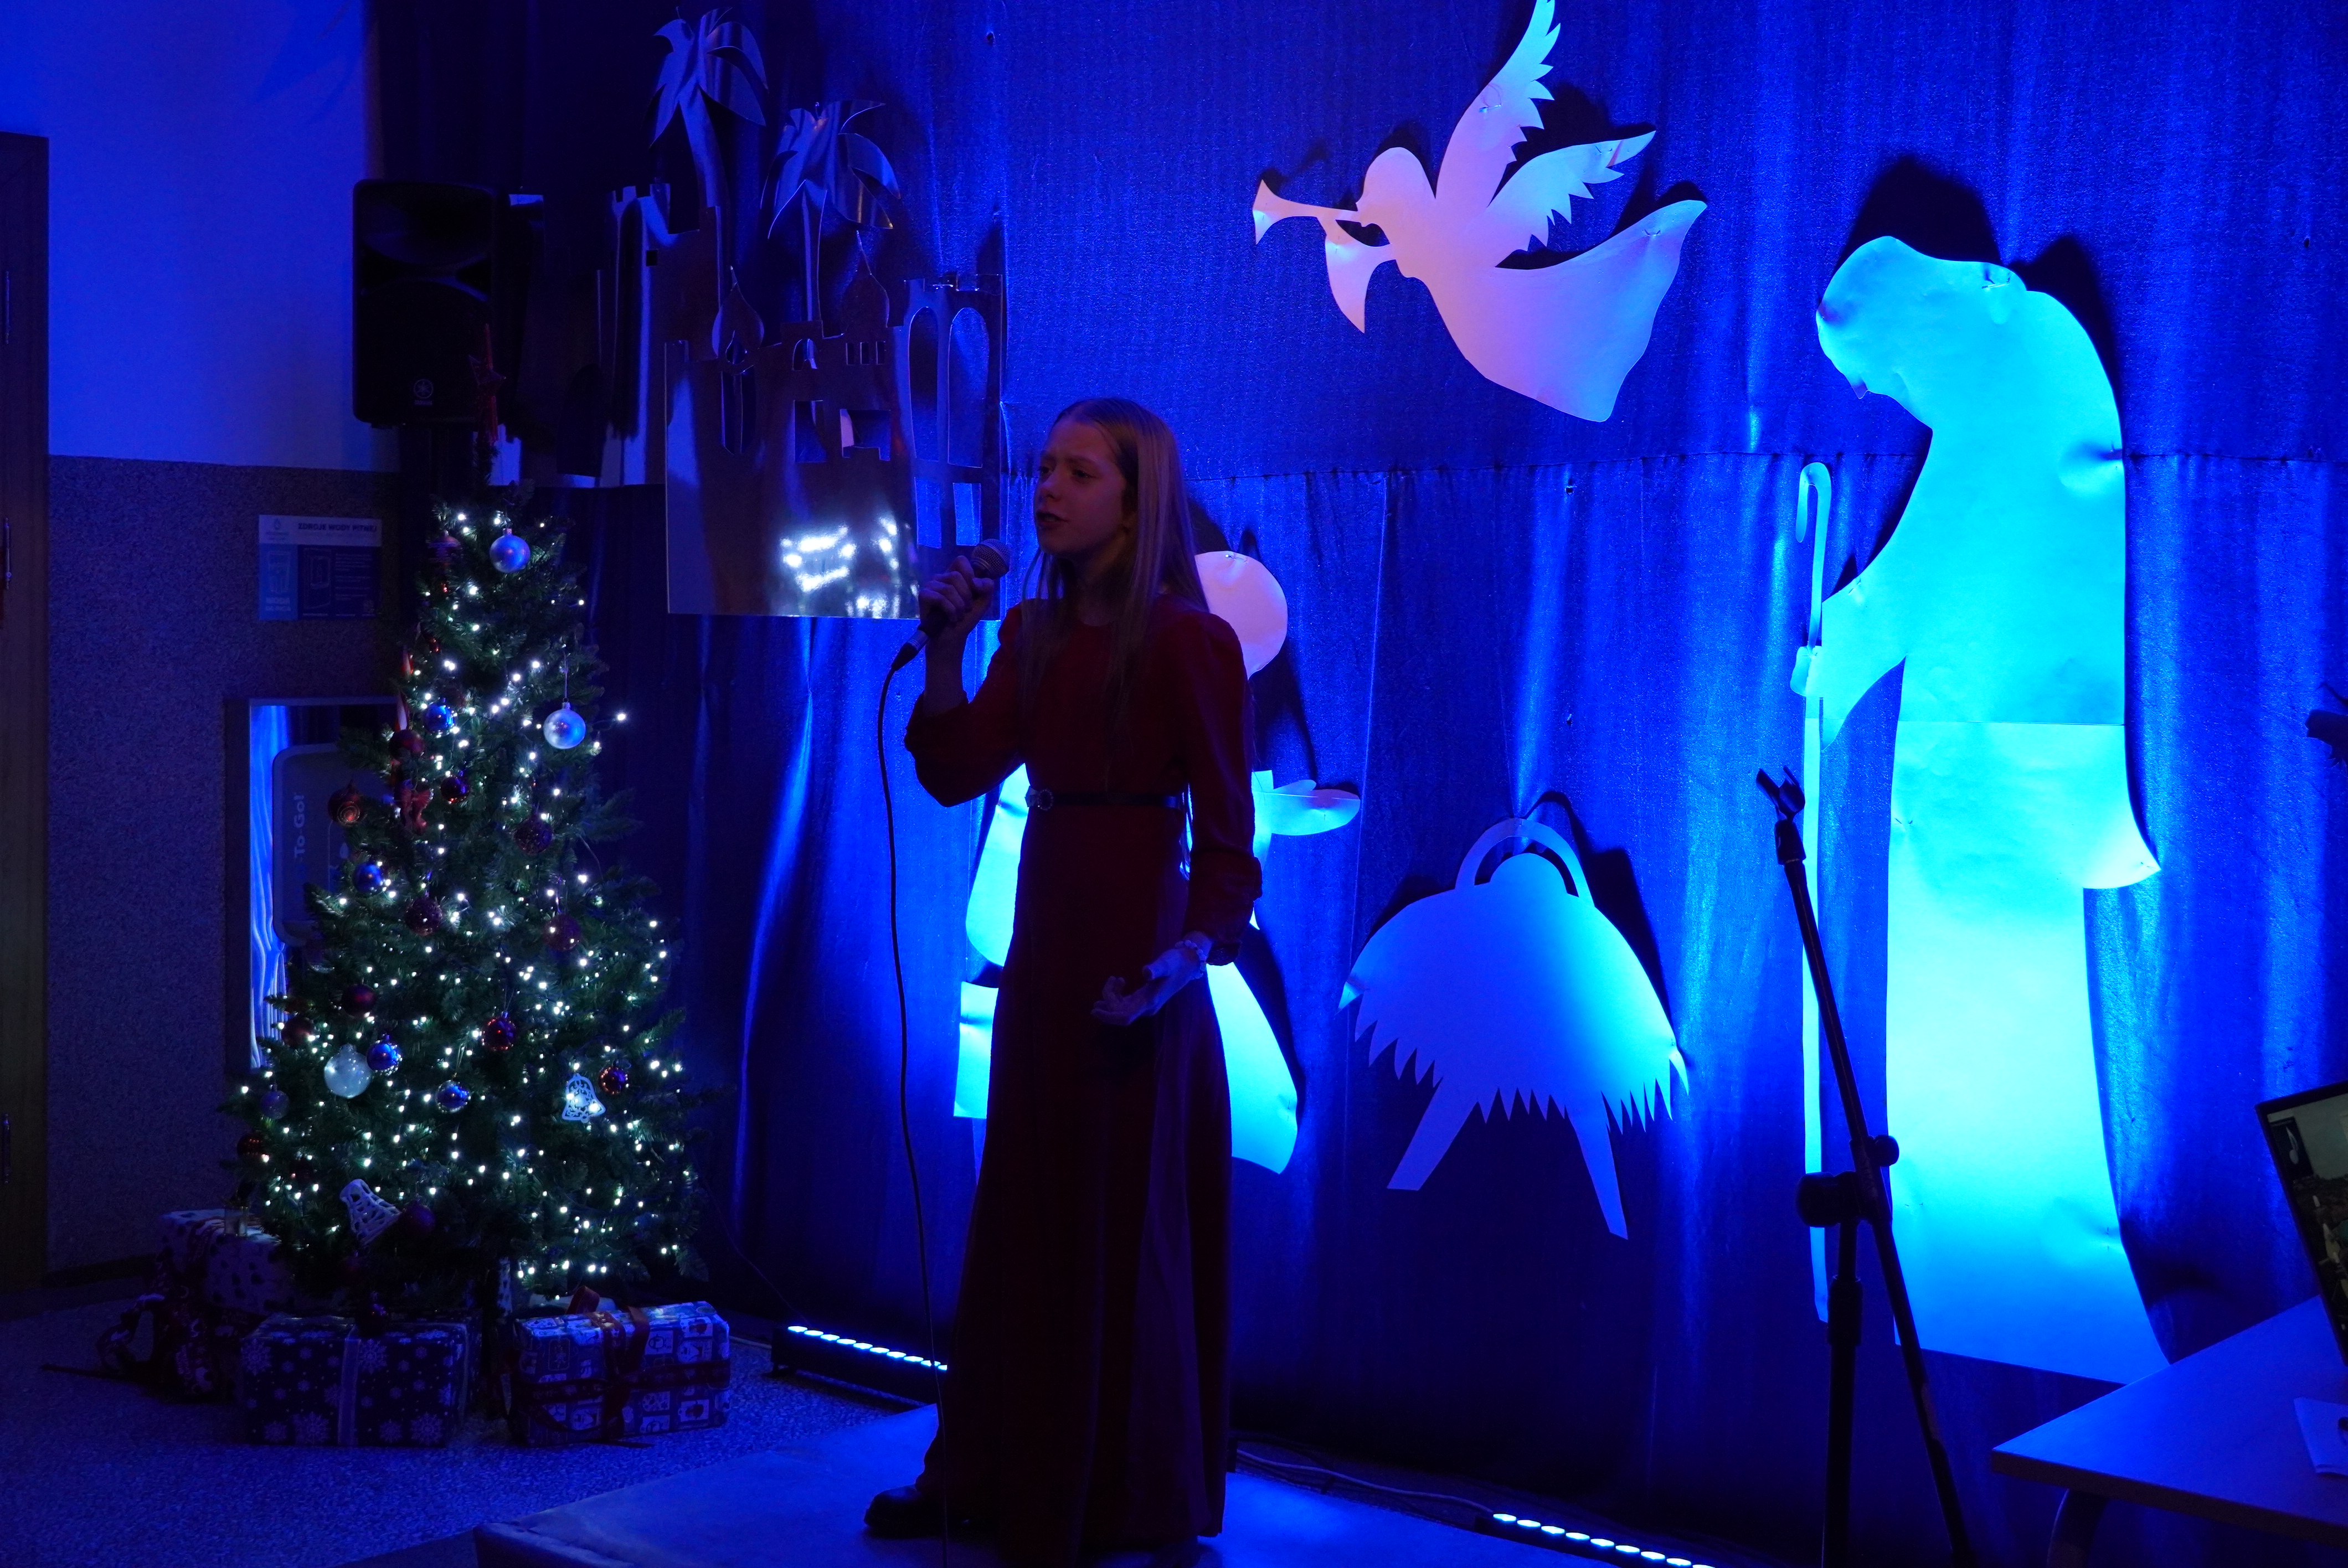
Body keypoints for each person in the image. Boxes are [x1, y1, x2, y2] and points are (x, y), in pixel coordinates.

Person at [865, 399, 1259, 1568]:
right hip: (1047, 954)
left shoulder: (1188, 641)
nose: (1047, 488)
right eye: (1044, 468)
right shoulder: (1031, 633)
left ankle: (1103, 1490)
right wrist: (949, 645)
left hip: (1137, 961)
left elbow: (1229, 845)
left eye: (1078, 473)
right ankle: (990, 1470)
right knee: (1025, 1220)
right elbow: (952, 769)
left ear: (1136, 501)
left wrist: (1183, 960)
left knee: (1109, 1220)